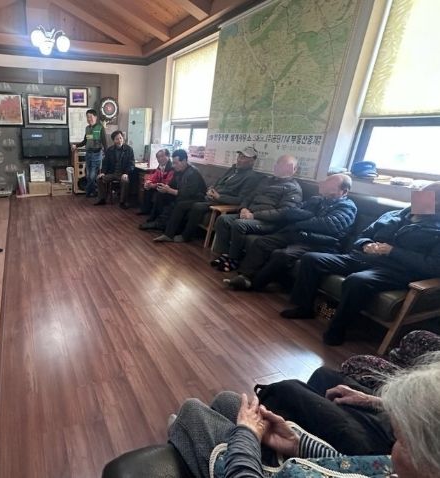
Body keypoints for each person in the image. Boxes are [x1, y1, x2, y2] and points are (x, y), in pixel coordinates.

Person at [167, 351, 440, 478]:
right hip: (295, 464)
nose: (393, 447)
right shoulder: (397, 467)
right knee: (229, 401)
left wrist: (247, 437)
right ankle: (186, 437)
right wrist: (298, 444)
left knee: (192, 410)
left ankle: (183, 434)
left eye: (401, 440)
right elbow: (350, 465)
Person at [280, 181, 440, 346]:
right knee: (311, 259)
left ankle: (337, 329)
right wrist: (365, 244)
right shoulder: (394, 215)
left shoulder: (436, 229)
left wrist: (393, 251)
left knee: (357, 280)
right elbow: (364, 235)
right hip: (363, 257)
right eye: (419, 194)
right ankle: (304, 308)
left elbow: (434, 266)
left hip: (395, 270)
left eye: (428, 197)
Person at [225, 174, 356, 291]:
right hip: (299, 233)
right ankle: (244, 276)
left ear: (344, 191)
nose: (324, 186)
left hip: (320, 242)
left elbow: (328, 225)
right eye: (326, 182)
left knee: (283, 254)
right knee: (263, 242)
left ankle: (254, 284)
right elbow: (291, 211)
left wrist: (302, 221)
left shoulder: (347, 207)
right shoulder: (317, 199)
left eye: (330, 185)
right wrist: (310, 217)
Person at [211, 155, 302, 271]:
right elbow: (249, 196)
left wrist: (253, 215)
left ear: (293, 169)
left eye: (282, 165)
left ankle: (234, 259)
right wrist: (244, 208)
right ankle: (225, 254)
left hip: (268, 222)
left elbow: (283, 213)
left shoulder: (293, 189)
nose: (277, 166)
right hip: (250, 214)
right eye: (278, 163)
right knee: (223, 220)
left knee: (239, 224)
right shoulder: (266, 180)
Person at [177, 147, 263, 242]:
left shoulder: (251, 177)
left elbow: (241, 199)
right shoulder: (233, 169)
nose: (239, 159)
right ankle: (177, 230)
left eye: (243, 158)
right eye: (239, 156)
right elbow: (219, 181)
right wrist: (211, 189)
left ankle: (186, 236)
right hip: (212, 197)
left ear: (252, 161)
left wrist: (219, 197)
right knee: (184, 201)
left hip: (222, 202)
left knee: (197, 206)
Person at [142, 149, 207, 241]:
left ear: (184, 161)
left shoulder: (193, 173)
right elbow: (172, 184)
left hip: (197, 198)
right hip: (183, 195)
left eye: (176, 163)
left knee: (180, 204)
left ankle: (168, 234)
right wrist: (165, 188)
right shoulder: (178, 171)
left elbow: (188, 193)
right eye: (173, 163)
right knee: (161, 194)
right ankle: (159, 222)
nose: (173, 166)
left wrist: (170, 190)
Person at [71, 109, 108, 197]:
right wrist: (76, 146)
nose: (89, 119)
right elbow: (85, 141)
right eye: (87, 117)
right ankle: (93, 192)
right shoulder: (87, 128)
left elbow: (105, 143)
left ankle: (89, 191)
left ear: (95, 117)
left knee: (92, 175)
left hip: (97, 154)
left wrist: (107, 155)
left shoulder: (100, 128)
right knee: (88, 175)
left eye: (91, 117)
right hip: (88, 154)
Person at [94, 130, 134, 208]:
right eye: (117, 139)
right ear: (113, 140)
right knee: (99, 179)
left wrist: (126, 173)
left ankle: (123, 202)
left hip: (123, 173)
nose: (119, 140)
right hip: (112, 173)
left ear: (123, 138)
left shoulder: (129, 149)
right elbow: (105, 163)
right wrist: (103, 172)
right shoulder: (110, 150)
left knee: (125, 180)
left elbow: (131, 164)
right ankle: (102, 199)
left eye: (120, 138)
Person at [137, 149, 174, 215]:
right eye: (158, 157)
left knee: (159, 193)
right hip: (160, 186)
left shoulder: (171, 168)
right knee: (147, 188)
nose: (160, 159)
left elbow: (167, 182)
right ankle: (146, 210)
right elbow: (154, 176)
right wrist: (148, 182)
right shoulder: (160, 166)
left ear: (168, 156)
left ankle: (155, 216)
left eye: (162, 156)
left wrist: (154, 185)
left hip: (168, 189)